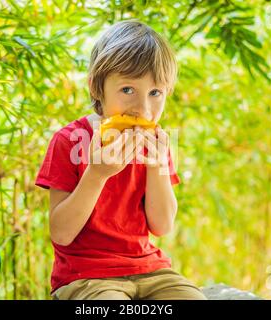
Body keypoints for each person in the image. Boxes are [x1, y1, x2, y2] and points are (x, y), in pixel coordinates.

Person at [35, 20, 206, 300]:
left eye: (155, 93)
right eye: (128, 90)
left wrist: (157, 165)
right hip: (86, 276)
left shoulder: (157, 145)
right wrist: (97, 174)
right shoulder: (69, 140)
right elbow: (62, 233)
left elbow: (162, 225)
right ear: (96, 87)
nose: (143, 108)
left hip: (150, 270)